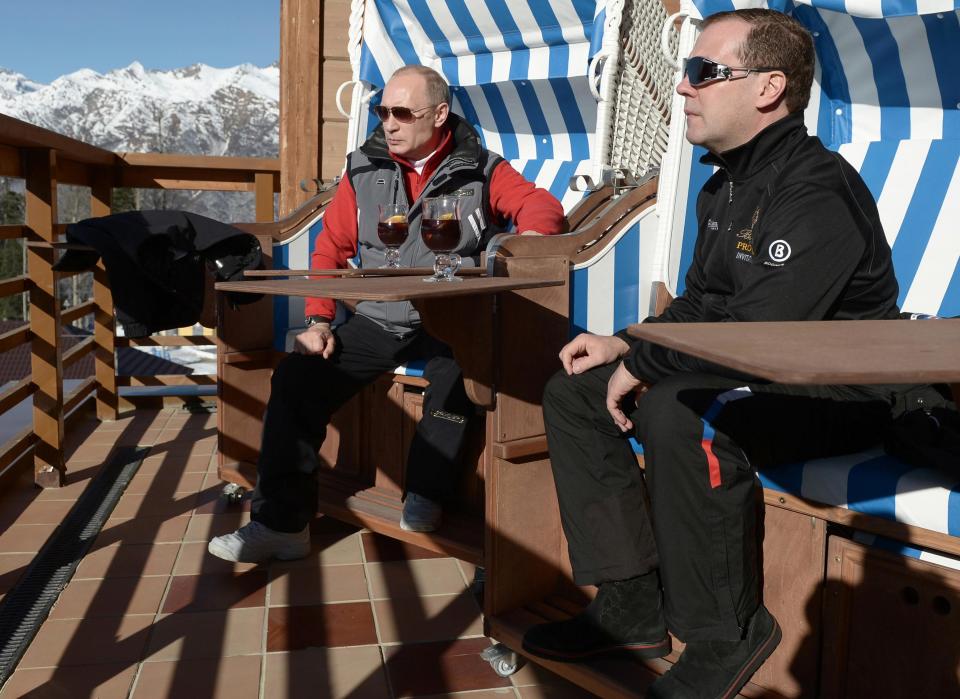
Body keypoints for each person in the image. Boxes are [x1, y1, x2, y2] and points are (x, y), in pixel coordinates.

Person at [521, 9, 914, 698]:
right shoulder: (723, 185)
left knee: (681, 407)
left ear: (768, 88)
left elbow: (759, 335)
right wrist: (625, 344)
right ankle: (632, 604)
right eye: (685, 71)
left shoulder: (815, 189)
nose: (683, 88)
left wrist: (644, 367)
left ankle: (725, 630)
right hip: (762, 374)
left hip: (840, 392)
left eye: (704, 72)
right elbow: (704, 302)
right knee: (576, 390)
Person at [209, 65, 565, 562]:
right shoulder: (363, 169)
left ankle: (426, 492)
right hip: (382, 316)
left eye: (402, 113)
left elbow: (542, 209)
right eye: (383, 112)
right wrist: (317, 321)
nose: (389, 123)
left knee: (457, 374)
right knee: (296, 379)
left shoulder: (481, 168)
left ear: (439, 115)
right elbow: (330, 248)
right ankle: (281, 525)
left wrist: (518, 245)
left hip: (453, 317)